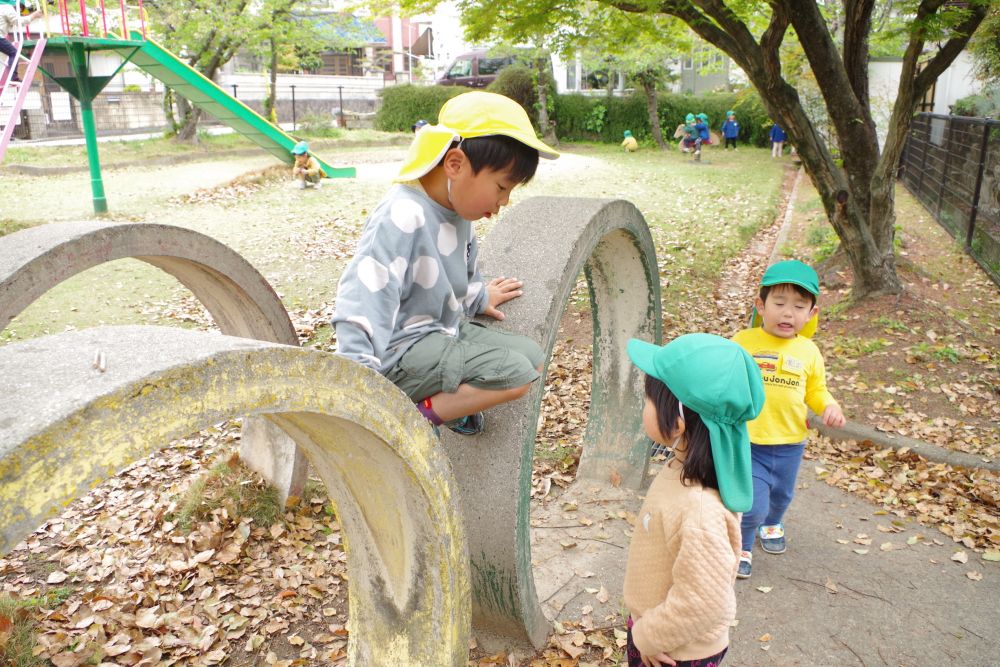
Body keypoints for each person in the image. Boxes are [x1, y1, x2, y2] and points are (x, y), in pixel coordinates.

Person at [332, 91, 559, 436]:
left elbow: (458, 276)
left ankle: (446, 406)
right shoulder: (402, 215)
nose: (505, 201)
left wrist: (480, 297)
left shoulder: (459, 211)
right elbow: (363, 297)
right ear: (455, 164)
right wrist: (360, 382)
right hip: (398, 353)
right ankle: (410, 421)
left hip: (440, 332)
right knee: (516, 376)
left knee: (532, 357)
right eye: (501, 187)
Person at [624, 333, 764, 667]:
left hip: (674, 650)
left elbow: (705, 601)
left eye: (648, 399)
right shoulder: (683, 465)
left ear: (679, 420)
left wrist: (648, 637)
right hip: (658, 630)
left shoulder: (699, 510)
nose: (643, 406)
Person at [731, 260, 846, 579]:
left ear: (811, 313)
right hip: (749, 440)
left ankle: (773, 523)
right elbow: (726, 377)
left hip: (790, 443)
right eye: (779, 303)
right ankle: (743, 543)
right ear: (761, 305)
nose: (787, 313)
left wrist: (828, 407)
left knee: (781, 495)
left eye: (798, 306)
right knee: (752, 502)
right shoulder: (743, 341)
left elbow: (816, 390)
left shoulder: (809, 351)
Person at [0, 0, 41, 84]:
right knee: (14, 53)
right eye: (20, 8)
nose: (19, 11)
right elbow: (19, 22)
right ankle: (13, 77)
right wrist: (34, 15)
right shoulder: (7, 7)